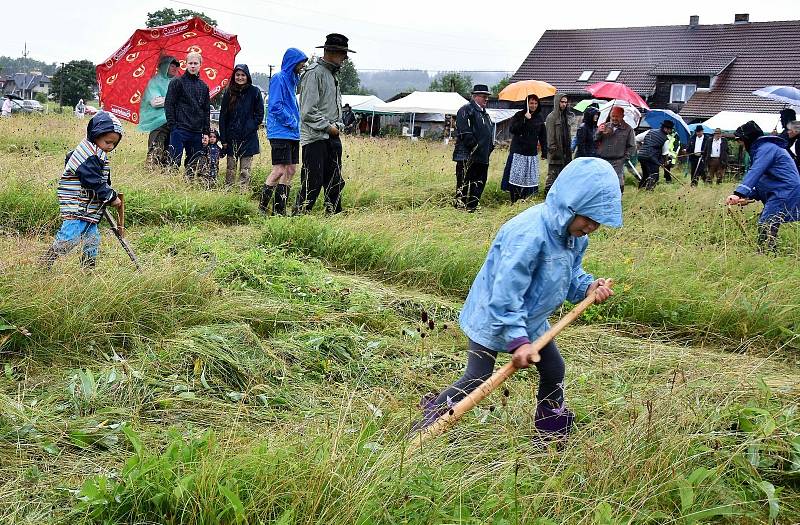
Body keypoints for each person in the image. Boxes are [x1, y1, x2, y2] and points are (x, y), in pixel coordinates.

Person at [411, 157, 622, 438]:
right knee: (478, 376)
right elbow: (506, 293)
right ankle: (429, 421)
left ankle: (550, 436)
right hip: (494, 316)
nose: (591, 227)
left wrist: (587, 287)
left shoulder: (575, 237)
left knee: (554, 370)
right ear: (570, 204)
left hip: (531, 320)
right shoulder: (529, 235)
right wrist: (518, 341)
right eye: (588, 218)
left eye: (598, 222)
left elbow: (568, 274)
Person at [40, 111, 123, 269]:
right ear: (95, 135)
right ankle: (47, 261)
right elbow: (94, 181)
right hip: (76, 204)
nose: (111, 146)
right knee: (69, 237)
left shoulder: (94, 150)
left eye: (114, 143)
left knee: (92, 240)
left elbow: (70, 158)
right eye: (107, 142)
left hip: (88, 206)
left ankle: (88, 269)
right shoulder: (88, 154)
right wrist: (111, 197)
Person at [293, 34, 353, 215]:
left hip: (331, 136)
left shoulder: (332, 74)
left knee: (335, 181)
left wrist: (337, 126)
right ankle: (297, 219)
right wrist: (329, 127)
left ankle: (334, 217)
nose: (345, 58)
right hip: (316, 137)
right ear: (330, 52)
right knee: (312, 181)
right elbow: (307, 111)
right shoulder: (314, 74)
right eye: (343, 53)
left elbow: (331, 107)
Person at [726, 120, 800, 252]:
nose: (740, 144)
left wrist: (738, 194)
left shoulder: (766, 148)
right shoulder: (763, 149)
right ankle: (769, 252)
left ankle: (765, 254)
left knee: (766, 222)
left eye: (740, 140)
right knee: (768, 221)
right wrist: (748, 196)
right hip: (779, 189)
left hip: (784, 190)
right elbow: (763, 180)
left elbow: (756, 172)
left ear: (747, 139)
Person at [261, 48, 308, 215]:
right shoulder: (279, 78)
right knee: (279, 170)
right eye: (302, 62)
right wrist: (292, 121)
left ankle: (279, 211)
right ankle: (262, 208)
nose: (303, 65)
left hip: (292, 133)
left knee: (291, 170)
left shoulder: (293, 79)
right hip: (280, 131)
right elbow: (275, 107)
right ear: (293, 62)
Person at [164, 51, 210, 179]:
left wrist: (205, 132)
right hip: (179, 129)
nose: (193, 66)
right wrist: (173, 126)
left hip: (196, 131)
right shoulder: (177, 82)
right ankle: (170, 186)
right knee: (174, 161)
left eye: (195, 63)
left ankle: (187, 187)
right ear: (185, 64)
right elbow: (169, 105)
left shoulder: (204, 86)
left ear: (200, 65)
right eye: (190, 63)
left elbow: (206, 110)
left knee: (193, 163)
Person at [218, 64, 264, 190]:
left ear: (247, 76)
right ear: (234, 76)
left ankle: (242, 194)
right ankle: (228, 192)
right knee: (230, 168)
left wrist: (251, 126)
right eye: (237, 75)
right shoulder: (228, 92)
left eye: (243, 75)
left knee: (245, 169)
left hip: (248, 137)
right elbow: (223, 116)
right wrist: (223, 138)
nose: (240, 77)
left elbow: (260, 114)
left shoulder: (255, 92)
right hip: (231, 136)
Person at [453, 84, 495, 211]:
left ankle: (472, 207)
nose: (486, 99)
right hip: (467, 155)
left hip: (482, 156)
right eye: (483, 96)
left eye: (487, 96)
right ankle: (460, 208)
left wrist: (489, 147)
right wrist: (475, 147)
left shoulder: (485, 114)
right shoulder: (466, 110)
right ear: (475, 96)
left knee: (479, 183)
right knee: (464, 184)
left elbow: (488, 133)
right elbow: (465, 132)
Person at [500, 94, 547, 203]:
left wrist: (544, 152)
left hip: (531, 153)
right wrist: (524, 119)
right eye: (531, 103)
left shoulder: (539, 118)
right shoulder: (519, 115)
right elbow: (513, 129)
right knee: (516, 177)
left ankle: (525, 199)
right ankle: (514, 199)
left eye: (535, 103)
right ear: (527, 103)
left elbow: (542, 136)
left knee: (528, 178)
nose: (533, 105)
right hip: (518, 152)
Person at [139, 55, 179, 168]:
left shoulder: (176, 82)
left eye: (177, 66)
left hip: (173, 122)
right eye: (172, 65)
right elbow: (155, 102)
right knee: (155, 150)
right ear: (164, 66)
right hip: (158, 123)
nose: (175, 68)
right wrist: (173, 99)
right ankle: (150, 177)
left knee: (169, 151)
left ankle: (163, 178)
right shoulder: (154, 82)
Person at [596, 105, 636, 193]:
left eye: (617, 116)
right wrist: (599, 132)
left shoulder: (628, 129)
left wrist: (625, 158)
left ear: (622, 116)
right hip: (603, 160)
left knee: (618, 182)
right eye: (612, 116)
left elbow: (632, 146)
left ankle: (618, 199)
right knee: (602, 181)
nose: (614, 118)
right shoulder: (605, 126)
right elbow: (595, 140)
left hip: (618, 161)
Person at [543, 93, 572, 195]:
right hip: (555, 152)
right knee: (552, 177)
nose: (564, 104)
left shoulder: (565, 117)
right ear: (557, 102)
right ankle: (547, 196)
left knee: (564, 176)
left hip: (565, 152)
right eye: (562, 102)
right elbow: (550, 137)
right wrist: (553, 151)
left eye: (565, 102)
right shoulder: (551, 117)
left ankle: (559, 196)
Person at [637, 120, 673, 190]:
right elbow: (665, 154)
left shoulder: (650, 131)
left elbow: (636, 138)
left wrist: (642, 147)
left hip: (641, 156)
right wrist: (665, 162)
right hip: (652, 158)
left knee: (646, 175)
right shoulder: (665, 138)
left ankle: (640, 190)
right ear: (665, 129)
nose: (670, 131)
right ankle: (648, 192)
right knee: (654, 176)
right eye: (670, 129)